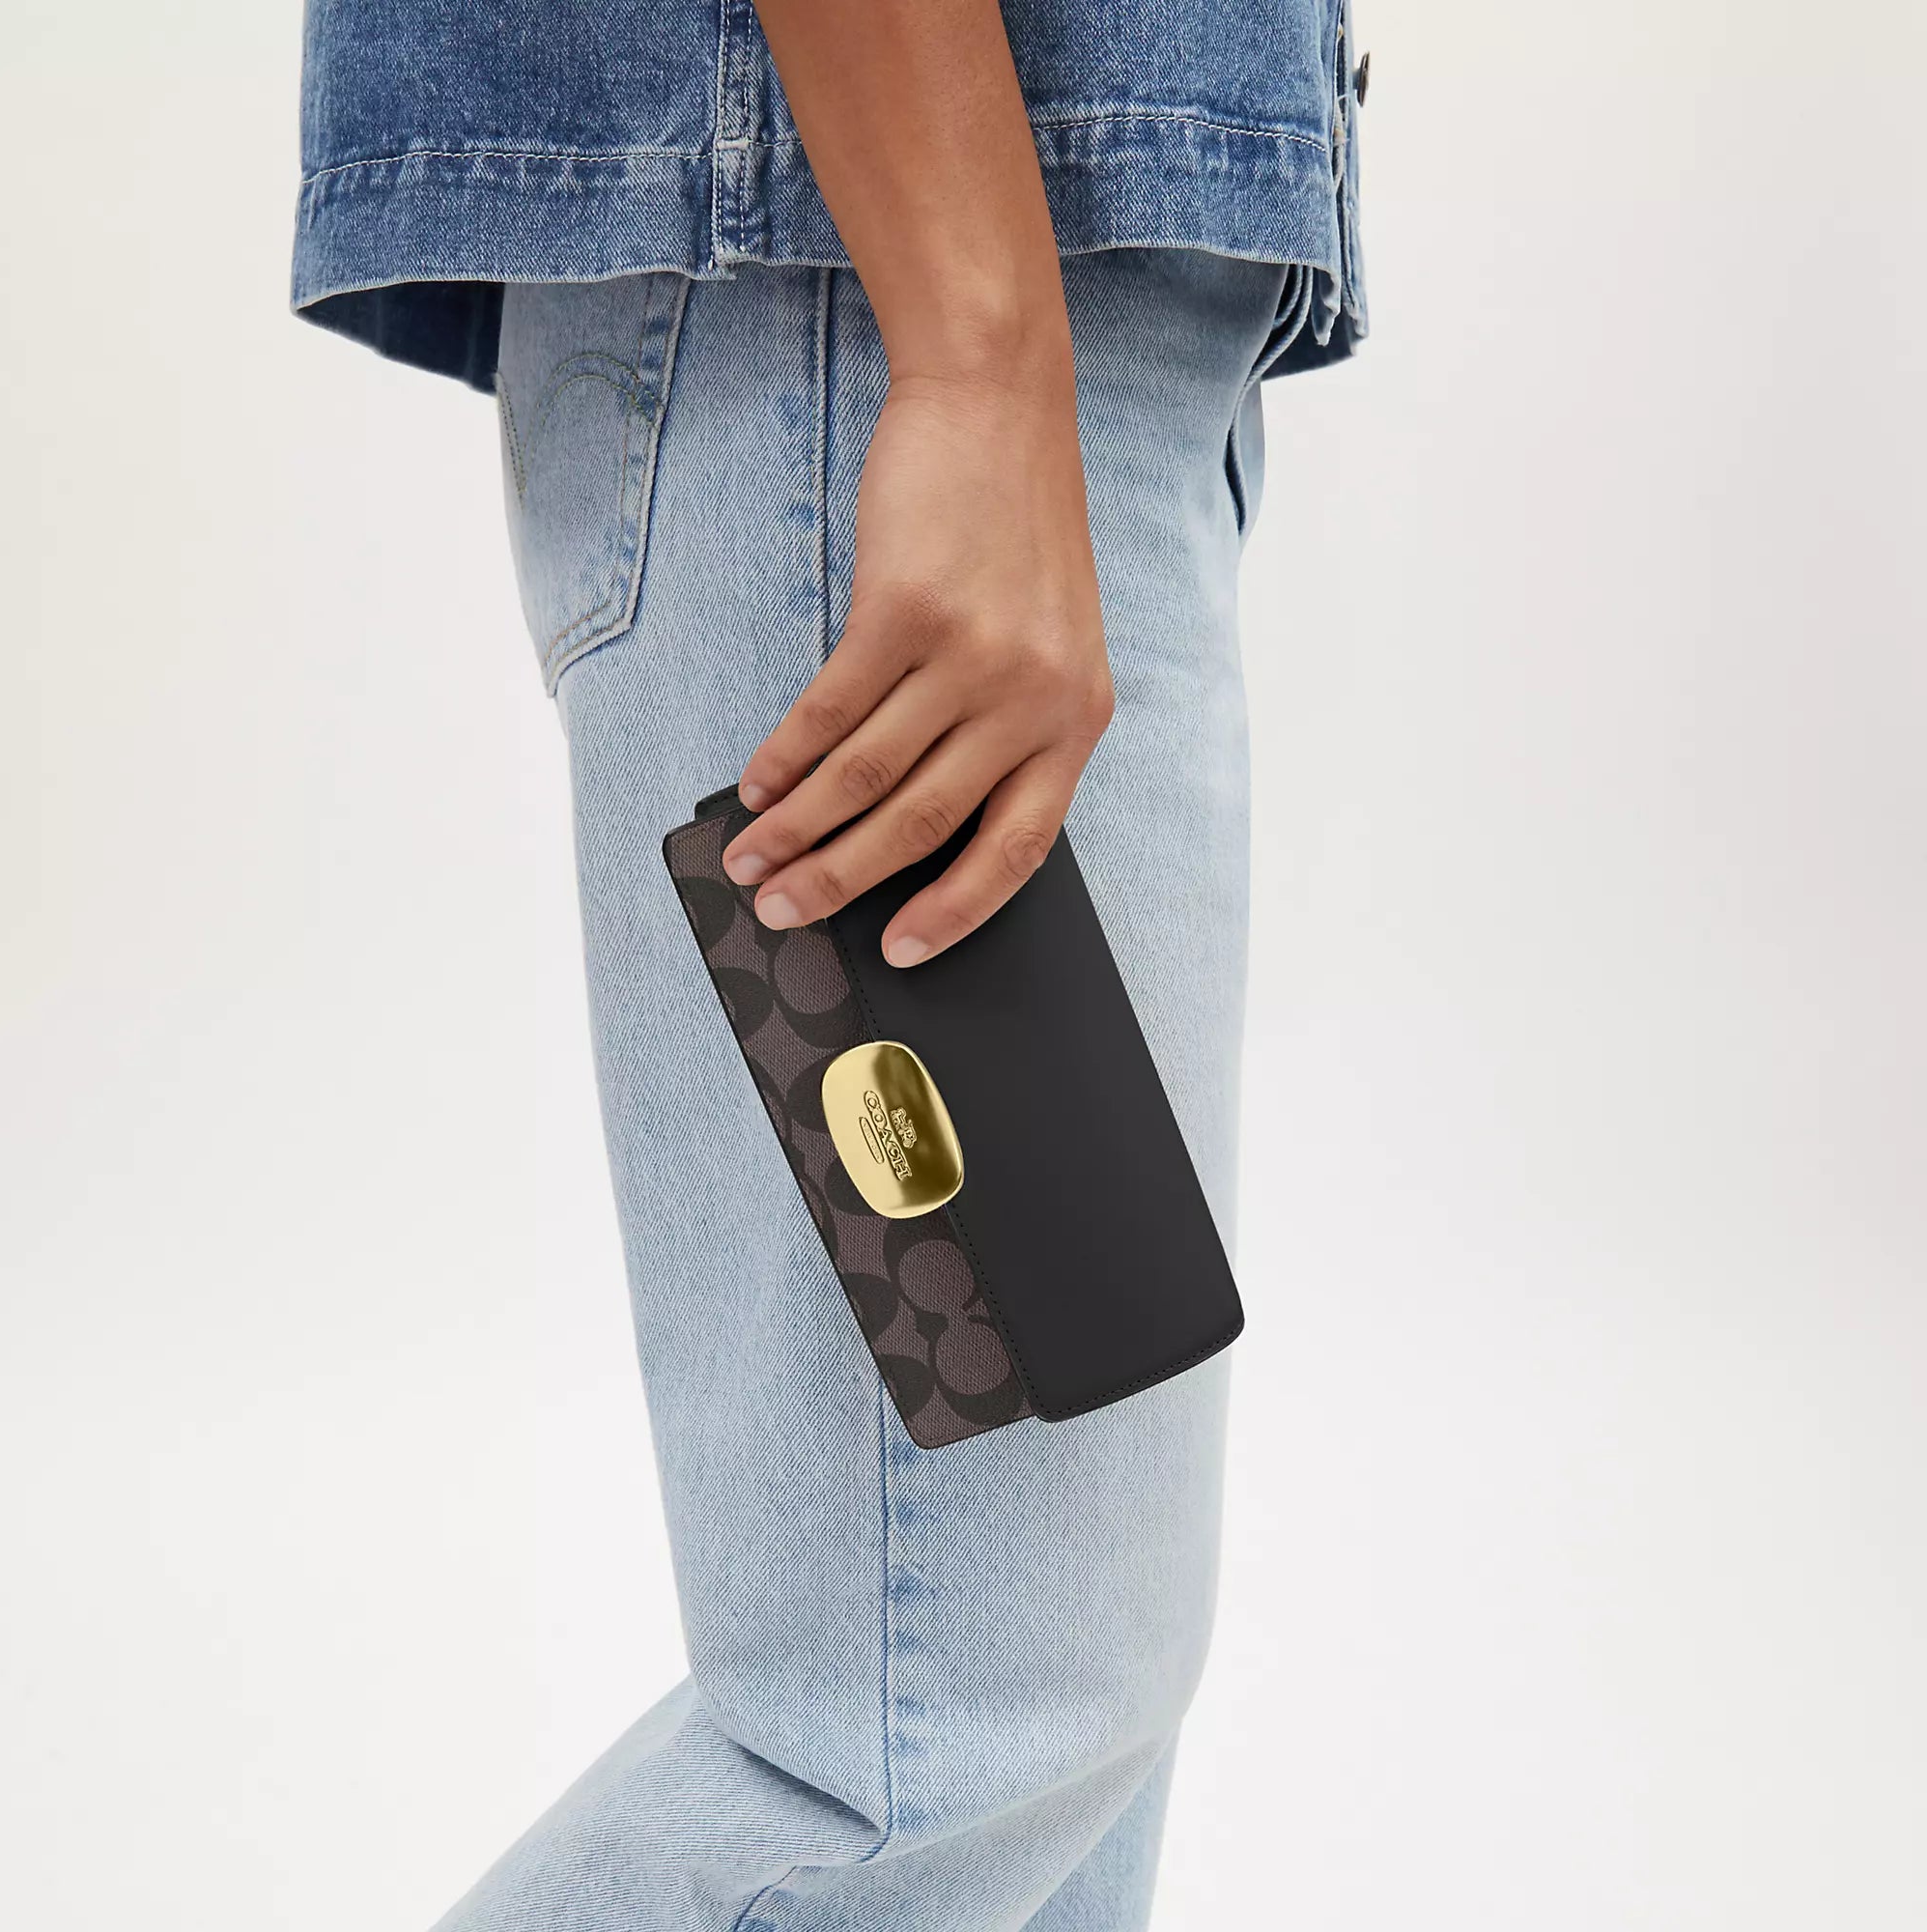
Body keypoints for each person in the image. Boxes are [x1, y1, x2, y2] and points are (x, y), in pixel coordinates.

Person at [295, 1, 1366, 1924]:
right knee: (939, 1736)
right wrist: (971, 355)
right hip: (889, 265)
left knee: (1034, 1780)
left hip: (1025, 288)